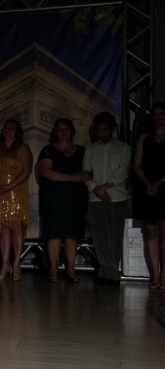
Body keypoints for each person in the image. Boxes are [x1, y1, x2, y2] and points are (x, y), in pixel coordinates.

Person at [38, 119, 90, 283]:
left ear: (72, 131)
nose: (64, 131)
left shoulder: (82, 151)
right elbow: (46, 172)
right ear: (55, 131)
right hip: (54, 198)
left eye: (67, 129)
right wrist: (73, 178)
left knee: (72, 234)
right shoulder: (48, 150)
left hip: (76, 198)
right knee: (54, 234)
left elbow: (90, 171)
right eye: (60, 129)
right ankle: (53, 268)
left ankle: (71, 268)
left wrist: (87, 175)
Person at [82, 112, 131, 286]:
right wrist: (96, 188)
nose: (101, 133)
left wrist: (104, 187)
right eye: (98, 130)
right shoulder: (90, 149)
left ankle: (108, 273)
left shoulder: (123, 148)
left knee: (114, 237)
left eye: (105, 129)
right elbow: (85, 174)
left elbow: (122, 173)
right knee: (100, 237)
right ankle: (109, 273)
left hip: (116, 197)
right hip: (95, 198)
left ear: (112, 129)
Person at [0, 119, 32, 281]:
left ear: (17, 132)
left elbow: (27, 171)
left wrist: (9, 186)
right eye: (5, 128)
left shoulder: (23, 148)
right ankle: (5, 263)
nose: (8, 131)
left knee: (17, 227)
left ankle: (17, 264)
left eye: (11, 128)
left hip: (16, 192)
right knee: (4, 228)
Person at [133, 102, 165, 289]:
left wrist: (159, 184)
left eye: (162, 113)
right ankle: (155, 273)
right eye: (155, 114)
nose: (158, 117)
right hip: (147, 189)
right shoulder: (144, 138)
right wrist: (148, 184)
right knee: (151, 233)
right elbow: (137, 166)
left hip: (163, 188)